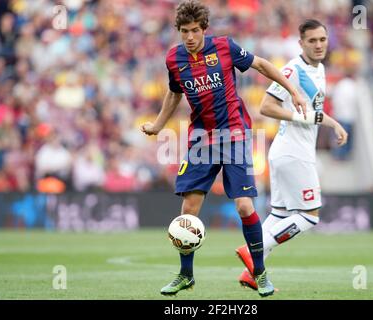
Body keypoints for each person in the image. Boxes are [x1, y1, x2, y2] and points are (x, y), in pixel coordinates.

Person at [140, 0, 307, 297]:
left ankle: (259, 273)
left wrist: (293, 91)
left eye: (194, 30)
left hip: (234, 135)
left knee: (244, 206)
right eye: (184, 31)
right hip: (201, 139)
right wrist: (158, 124)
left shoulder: (224, 47)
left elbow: (262, 65)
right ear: (178, 31)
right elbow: (174, 93)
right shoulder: (174, 59)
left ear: (204, 28)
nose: (189, 36)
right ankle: (185, 275)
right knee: (188, 211)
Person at [234, 19, 348, 290]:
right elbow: (266, 107)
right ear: (301, 43)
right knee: (310, 216)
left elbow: (311, 111)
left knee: (281, 215)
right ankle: (254, 251)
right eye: (312, 40)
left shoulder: (318, 70)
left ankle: (253, 272)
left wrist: (334, 124)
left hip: (288, 152)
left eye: (322, 39)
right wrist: (303, 117)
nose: (318, 45)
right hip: (294, 153)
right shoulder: (293, 69)